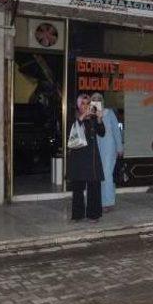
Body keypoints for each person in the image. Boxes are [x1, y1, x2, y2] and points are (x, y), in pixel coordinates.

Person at [67, 93, 105, 223]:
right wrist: (83, 116)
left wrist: (99, 119)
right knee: (78, 188)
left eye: (88, 103)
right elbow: (72, 130)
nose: (86, 106)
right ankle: (77, 215)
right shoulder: (75, 117)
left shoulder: (93, 119)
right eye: (83, 103)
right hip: (78, 158)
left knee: (94, 186)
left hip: (92, 158)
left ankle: (93, 215)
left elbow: (102, 133)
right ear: (78, 105)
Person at [90, 92, 123, 213]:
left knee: (107, 175)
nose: (97, 100)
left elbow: (116, 131)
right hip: (95, 148)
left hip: (109, 147)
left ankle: (108, 202)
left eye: (99, 98)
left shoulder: (109, 113)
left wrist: (119, 147)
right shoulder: (90, 114)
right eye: (94, 99)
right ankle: (99, 200)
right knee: (98, 175)